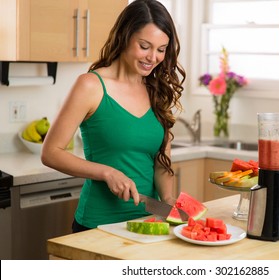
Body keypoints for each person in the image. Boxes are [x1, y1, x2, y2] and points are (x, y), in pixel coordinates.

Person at [41, 0, 185, 233]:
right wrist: (107, 172)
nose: (153, 58)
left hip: (148, 224)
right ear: (125, 37)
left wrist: (167, 200)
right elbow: (51, 153)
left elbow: (161, 160)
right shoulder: (91, 86)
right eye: (145, 46)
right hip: (97, 224)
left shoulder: (156, 90)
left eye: (161, 49)